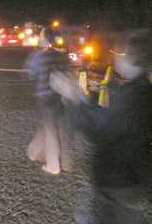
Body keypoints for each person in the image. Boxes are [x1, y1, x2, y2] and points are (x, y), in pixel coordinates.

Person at [50, 30, 152, 224]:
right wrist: (83, 98)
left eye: (121, 54)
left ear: (134, 59)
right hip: (134, 175)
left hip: (118, 178)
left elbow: (97, 129)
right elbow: (107, 118)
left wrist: (71, 98)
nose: (116, 59)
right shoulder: (143, 88)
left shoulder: (130, 96)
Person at [25, 27, 72, 175]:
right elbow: (67, 72)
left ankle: (53, 165)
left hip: (45, 96)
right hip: (60, 95)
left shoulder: (38, 56)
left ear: (44, 39)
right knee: (60, 128)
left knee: (50, 129)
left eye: (40, 36)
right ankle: (65, 162)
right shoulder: (62, 56)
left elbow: (31, 75)